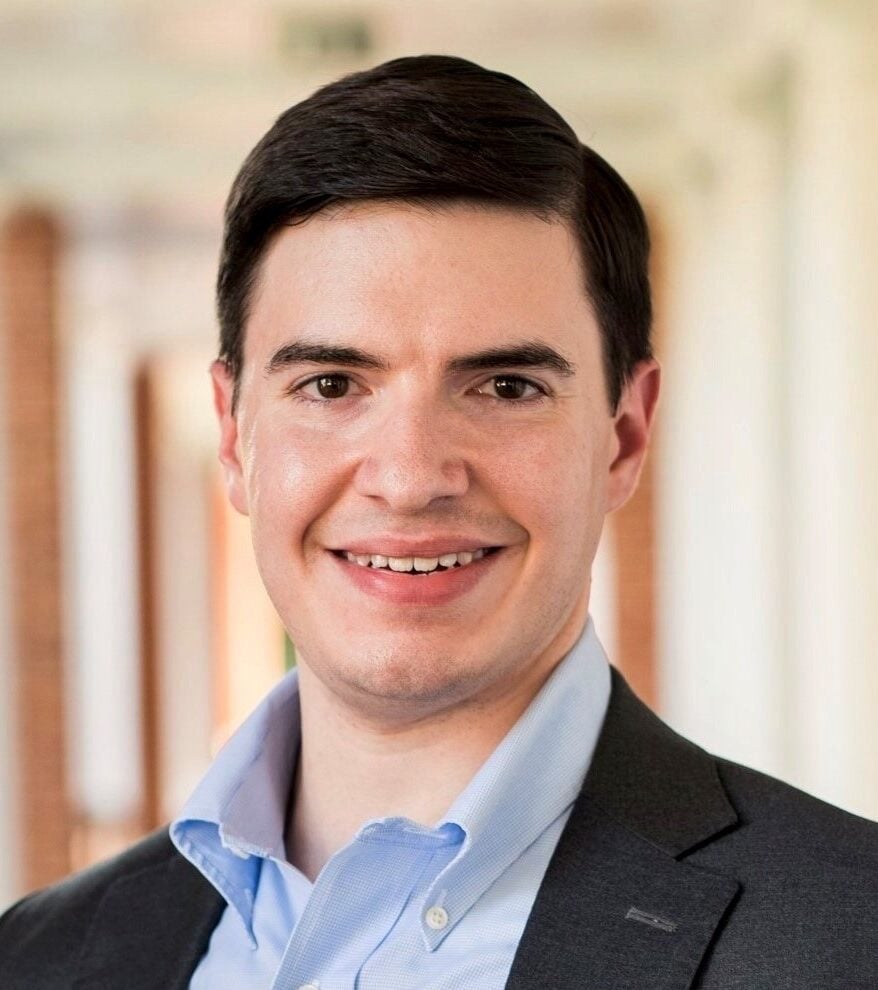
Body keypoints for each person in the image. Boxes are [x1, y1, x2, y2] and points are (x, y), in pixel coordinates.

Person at [1, 54, 876, 990]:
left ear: (623, 436)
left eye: (505, 387)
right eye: (330, 385)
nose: (412, 478)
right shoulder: (38, 957)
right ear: (233, 434)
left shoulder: (850, 937)